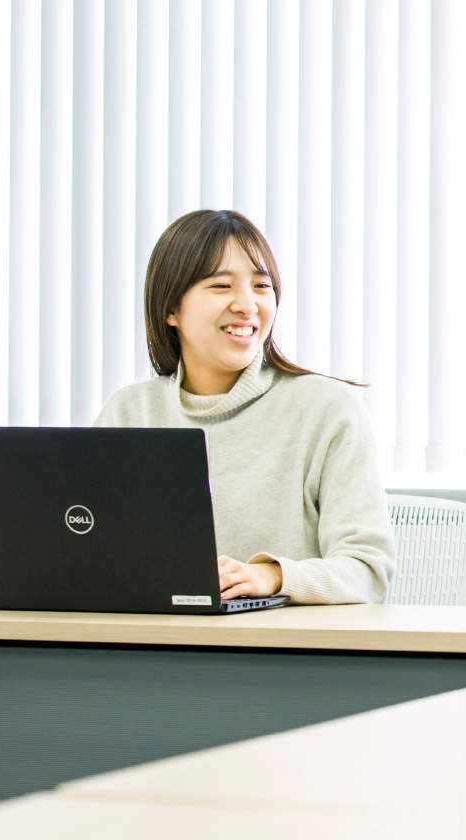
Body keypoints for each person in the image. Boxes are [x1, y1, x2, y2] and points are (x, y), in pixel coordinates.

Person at [96, 210, 396, 605]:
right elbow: (85, 550)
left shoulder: (326, 409)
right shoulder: (129, 413)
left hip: (282, 641)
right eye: (221, 285)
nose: (247, 304)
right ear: (170, 309)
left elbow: (368, 571)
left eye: (261, 286)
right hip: (154, 636)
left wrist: (272, 575)